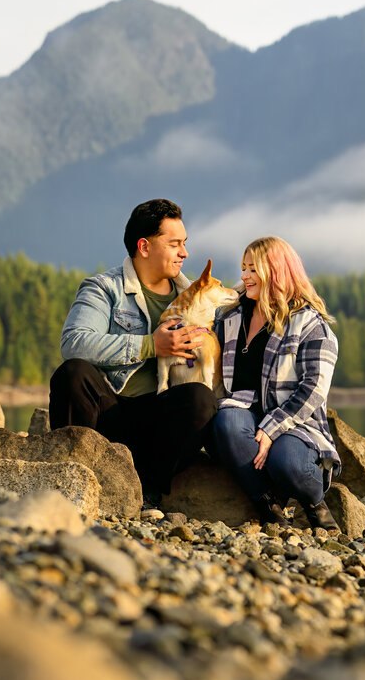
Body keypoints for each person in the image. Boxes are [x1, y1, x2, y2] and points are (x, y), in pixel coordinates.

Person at [49, 198, 216, 507]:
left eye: (185, 243)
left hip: (161, 424)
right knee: (73, 373)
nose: (185, 252)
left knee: (201, 400)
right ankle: (73, 481)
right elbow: (74, 341)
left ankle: (147, 492)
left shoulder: (194, 296)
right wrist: (150, 345)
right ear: (144, 247)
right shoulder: (104, 288)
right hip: (110, 412)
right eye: (175, 243)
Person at [210, 236, 341, 528]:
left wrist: (270, 430)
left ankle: (314, 503)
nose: (244, 276)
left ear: (277, 271)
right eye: (243, 268)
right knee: (226, 423)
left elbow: (313, 390)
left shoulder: (311, 325)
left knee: (288, 463)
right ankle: (268, 503)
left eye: (253, 269)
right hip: (242, 411)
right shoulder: (228, 316)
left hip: (295, 422)